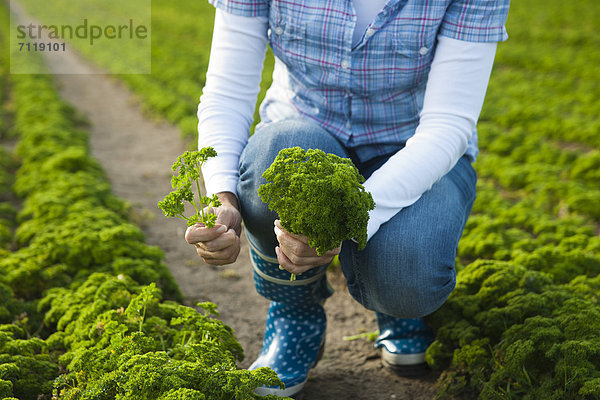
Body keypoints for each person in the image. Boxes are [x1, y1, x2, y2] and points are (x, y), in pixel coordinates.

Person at [186, 0, 510, 396]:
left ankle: (391, 307)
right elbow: (227, 91)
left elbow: (447, 126)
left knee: (408, 275)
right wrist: (225, 197)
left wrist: (346, 218)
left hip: (415, 148)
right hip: (304, 131)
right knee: (276, 157)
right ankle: (295, 311)